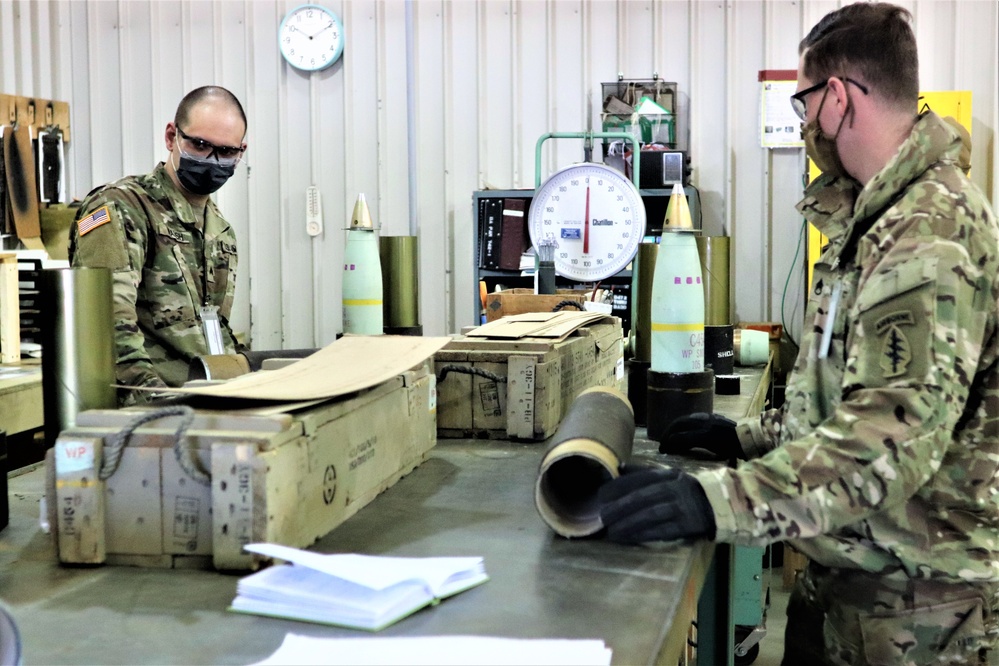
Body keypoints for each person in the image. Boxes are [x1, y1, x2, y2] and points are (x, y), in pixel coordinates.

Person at [598, 4, 999, 665]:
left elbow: (888, 440)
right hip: (850, 586)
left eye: (804, 101)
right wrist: (748, 438)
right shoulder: (873, 218)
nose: (803, 121)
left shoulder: (927, 234)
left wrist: (715, 502)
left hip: (919, 616)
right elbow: (848, 389)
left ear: (837, 97)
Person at [69, 86, 247, 406]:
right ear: (171, 137)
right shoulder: (119, 208)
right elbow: (107, 327)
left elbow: (214, 326)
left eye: (227, 151)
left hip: (206, 398)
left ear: (241, 152)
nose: (213, 160)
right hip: (152, 408)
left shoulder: (221, 231)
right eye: (201, 145)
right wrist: (157, 406)